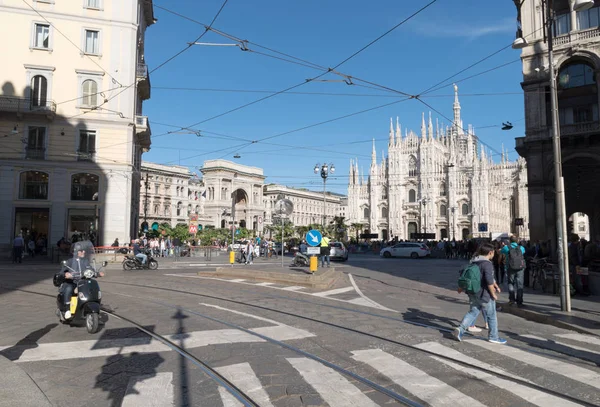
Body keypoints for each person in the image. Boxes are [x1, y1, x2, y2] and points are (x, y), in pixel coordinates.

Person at [453, 243, 506, 344]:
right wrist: (493, 294)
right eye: (493, 252)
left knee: (472, 312)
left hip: (473, 293)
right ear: (490, 252)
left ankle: (460, 329)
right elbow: (489, 280)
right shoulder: (487, 264)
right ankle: (494, 337)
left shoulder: (473, 262)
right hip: (484, 294)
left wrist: (460, 288)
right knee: (491, 315)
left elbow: (466, 275)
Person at [59, 242, 104, 319]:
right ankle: (67, 310)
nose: (84, 252)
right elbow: (63, 271)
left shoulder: (85, 261)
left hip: (83, 282)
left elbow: (90, 269)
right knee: (69, 288)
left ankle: (93, 304)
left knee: (92, 286)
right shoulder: (70, 261)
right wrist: (66, 274)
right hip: (72, 282)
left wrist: (97, 273)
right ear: (76, 252)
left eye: (84, 250)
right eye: (81, 251)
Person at [501, 236, 526, 307]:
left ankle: (512, 300)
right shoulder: (521, 248)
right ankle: (519, 301)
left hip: (510, 267)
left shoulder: (506, 248)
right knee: (520, 285)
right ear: (517, 241)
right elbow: (523, 253)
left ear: (510, 241)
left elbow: (501, 252)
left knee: (510, 283)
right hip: (520, 268)